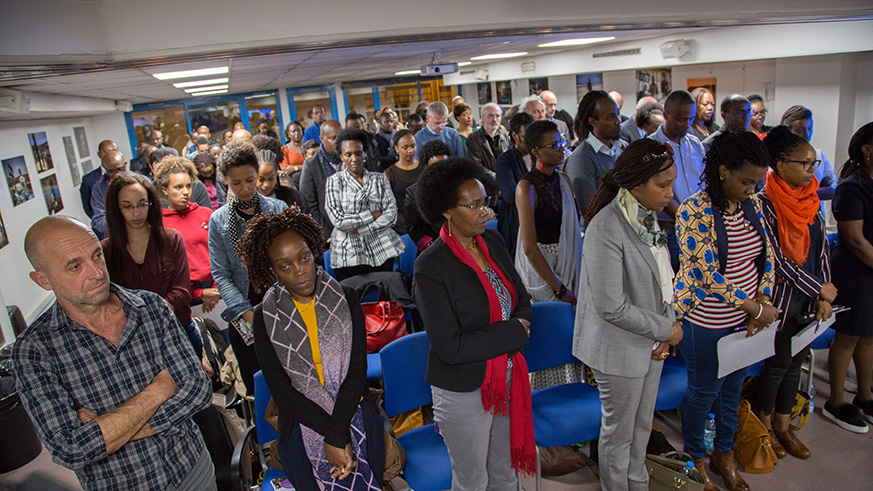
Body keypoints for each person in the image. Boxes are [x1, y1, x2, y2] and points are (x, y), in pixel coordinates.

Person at [14, 216, 214, 491]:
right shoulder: (33, 351)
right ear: (43, 280)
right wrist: (158, 391)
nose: (97, 272)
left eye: (97, 255)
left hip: (192, 471)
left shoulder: (152, 308)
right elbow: (70, 449)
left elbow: (198, 390)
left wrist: (105, 429)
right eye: (75, 266)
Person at [236, 208, 387, 490]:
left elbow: (356, 373)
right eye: (285, 266)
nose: (299, 271)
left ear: (313, 252)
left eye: (303, 258)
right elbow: (282, 392)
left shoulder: (346, 298)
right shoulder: (264, 316)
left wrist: (335, 436)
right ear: (272, 270)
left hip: (354, 412)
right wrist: (335, 437)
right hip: (300, 425)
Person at [414, 157, 536, 489]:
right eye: (475, 205)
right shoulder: (431, 266)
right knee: (472, 481)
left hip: (506, 377)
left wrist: (515, 326)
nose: (486, 212)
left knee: (505, 472)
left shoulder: (493, 242)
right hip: (462, 388)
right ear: (447, 211)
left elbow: (521, 298)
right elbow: (450, 347)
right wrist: (513, 332)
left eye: (486, 202)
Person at [573, 138, 683, 491]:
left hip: (651, 339)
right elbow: (611, 306)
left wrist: (663, 331)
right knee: (618, 434)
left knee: (642, 425)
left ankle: (639, 484)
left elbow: (662, 280)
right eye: (663, 185)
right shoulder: (606, 227)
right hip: (618, 346)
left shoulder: (646, 216)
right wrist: (666, 329)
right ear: (635, 184)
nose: (670, 193)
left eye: (671, 183)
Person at [674, 131, 778, 491]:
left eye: (757, 181)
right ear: (722, 172)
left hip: (745, 321)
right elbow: (706, 274)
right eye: (746, 181)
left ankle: (725, 454)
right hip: (706, 321)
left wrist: (761, 303)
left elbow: (767, 259)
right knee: (703, 394)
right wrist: (754, 307)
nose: (753, 188)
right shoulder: (693, 210)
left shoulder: (754, 206)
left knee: (733, 392)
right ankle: (695, 459)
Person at [750, 125, 834, 457]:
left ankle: (784, 427)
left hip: (809, 297)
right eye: (805, 163)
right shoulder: (763, 203)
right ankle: (764, 427)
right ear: (781, 164)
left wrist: (822, 293)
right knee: (777, 364)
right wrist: (819, 288)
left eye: (814, 164)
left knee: (796, 362)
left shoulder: (810, 198)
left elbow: (822, 248)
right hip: (781, 297)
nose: (812, 171)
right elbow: (776, 260)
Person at [208, 141, 287, 395]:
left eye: (250, 180)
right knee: (259, 388)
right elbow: (220, 273)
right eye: (236, 183)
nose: (245, 189)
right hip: (245, 314)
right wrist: (247, 314)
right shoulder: (218, 220)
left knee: (292, 379)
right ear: (225, 181)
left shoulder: (278, 210)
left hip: (283, 307)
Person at [100, 171, 197, 350]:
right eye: (127, 206)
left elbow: (182, 292)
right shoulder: (105, 251)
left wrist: (150, 316)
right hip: (135, 342)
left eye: (142, 204)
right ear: (117, 209)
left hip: (178, 332)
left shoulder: (172, 239)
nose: (136, 213)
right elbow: (108, 301)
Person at [824, 121, 873, 433]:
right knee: (848, 336)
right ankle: (837, 401)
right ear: (867, 151)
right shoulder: (851, 186)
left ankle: (865, 396)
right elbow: (855, 240)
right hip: (855, 271)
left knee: (869, 335)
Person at [515, 119, 582, 304]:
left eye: (561, 142)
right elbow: (529, 248)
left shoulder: (563, 180)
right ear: (536, 152)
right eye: (554, 145)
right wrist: (559, 289)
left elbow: (574, 223)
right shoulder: (526, 187)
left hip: (567, 261)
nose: (561, 148)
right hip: (541, 269)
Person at [325, 128, 404, 281]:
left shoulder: (379, 179)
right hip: (348, 254)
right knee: (355, 299)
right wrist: (372, 215)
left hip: (382, 249)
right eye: (348, 154)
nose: (354, 158)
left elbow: (391, 214)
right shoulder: (334, 182)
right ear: (341, 156)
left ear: (365, 153)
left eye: (358, 153)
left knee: (385, 296)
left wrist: (361, 229)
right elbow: (339, 221)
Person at [156, 157, 221, 314]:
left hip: (218, 288)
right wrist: (198, 294)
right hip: (186, 295)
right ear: (165, 190)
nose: (185, 192)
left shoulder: (206, 214)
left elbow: (220, 254)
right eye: (178, 187)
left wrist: (215, 288)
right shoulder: (161, 225)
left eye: (188, 186)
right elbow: (167, 269)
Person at [649, 90, 706, 271]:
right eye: (682, 119)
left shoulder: (695, 143)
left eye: (691, 119)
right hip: (669, 228)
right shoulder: (651, 146)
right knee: (673, 278)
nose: (687, 124)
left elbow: (703, 182)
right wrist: (685, 217)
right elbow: (656, 191)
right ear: (666, 115)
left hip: (698, 224)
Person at [566, 90, 627, 219]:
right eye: (610, 117)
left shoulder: (622, 148)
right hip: (603, 230)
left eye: (618, 114)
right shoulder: (582, 158)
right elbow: (589, 209)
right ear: (593, 122)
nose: (618, 121)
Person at [496, 112, 535, 256]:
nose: (532, 141)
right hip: (514, 221)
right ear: (515, 136)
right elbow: (510, 195)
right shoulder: (505, 160)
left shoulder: (538, 156)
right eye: (526, 137)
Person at [404, 140, 453, 252]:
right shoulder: (414, 192)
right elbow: (412, 227)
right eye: (435, 166)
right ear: (426, 166)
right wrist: (428, 245)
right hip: (433, 248)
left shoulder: (458, 187)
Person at [781, 105, 837, 201]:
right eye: (800, 130)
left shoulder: (818, 155)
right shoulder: (779, 157)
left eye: (809, 129)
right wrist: (818, 190)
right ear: (788, 131)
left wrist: (810, 193)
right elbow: (784, 192)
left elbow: (834, 188)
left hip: (814, 213)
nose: (807, 134)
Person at [299, 120, 343, 241]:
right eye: (333, 138)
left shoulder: (350, 160)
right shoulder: (311, 165)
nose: (338, 142)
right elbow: (309, 205)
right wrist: (328, 235)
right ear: (322, 139)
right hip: (329, 235)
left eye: (340, 137)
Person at [253, 134, 306, 210]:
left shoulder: (293, 196)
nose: (266, 184)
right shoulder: (249, 202)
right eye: (261, 179)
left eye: (271, 179)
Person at [383, 129, 421, 235]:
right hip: (401, 228)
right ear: (396, 149)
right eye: (405, 147)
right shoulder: (389, 174)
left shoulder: (424, 167)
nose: (410, 151)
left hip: (426, 224)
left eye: (413, 146)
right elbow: (388, 206)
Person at [90, 149, 129, 240]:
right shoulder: (98, 189)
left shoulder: (141, 181)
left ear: (125, 164)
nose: (117, 175)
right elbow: (99, 221)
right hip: (118, 239)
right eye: (111, 172)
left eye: (120, 169)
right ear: (104, 169)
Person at [467, 103, 511, 174]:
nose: (494, 119)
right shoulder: (473, 139)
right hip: (486, 182)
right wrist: (498, 178)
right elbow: (476, 166)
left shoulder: (507, 137)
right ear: (482, 118)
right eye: (490, 115)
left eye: (498, 116)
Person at [81, 140, 118, 219]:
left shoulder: (129, 174)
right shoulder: (88, 180)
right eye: (106, 151)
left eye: (113, 150)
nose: (110, 154)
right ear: (99, 154)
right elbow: (88, 208)